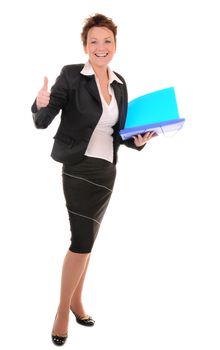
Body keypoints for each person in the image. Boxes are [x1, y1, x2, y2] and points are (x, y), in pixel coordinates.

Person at [31, 13, 156, 346]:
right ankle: (61, 311)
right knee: (81, 241)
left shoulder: (120, 82)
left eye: (107, 41)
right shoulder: (72, 76)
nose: (101, 47)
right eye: (94, 41)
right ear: (85, 46)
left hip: (106, 171)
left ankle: (76, 301)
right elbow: (43, 120)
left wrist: (137, 141)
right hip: (78, 167)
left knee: (89, 242)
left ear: (115, 45)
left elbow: (119, 132)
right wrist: (38, 103)